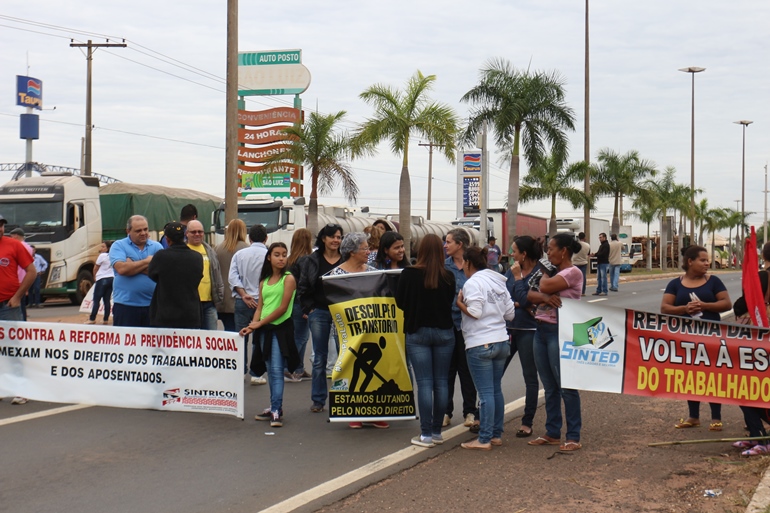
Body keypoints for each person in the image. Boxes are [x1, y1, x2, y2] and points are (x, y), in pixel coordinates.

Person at [661, 245, 731, 432]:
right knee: (690, 376)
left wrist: (705, 305)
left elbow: (726, 303)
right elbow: (665, 308)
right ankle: (693, 416)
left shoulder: (713, 281)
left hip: (712, 337)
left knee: (712, 376)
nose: (707, 263)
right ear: (690, 262)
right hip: (686, 339)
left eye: (707, 260)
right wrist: (684, 309)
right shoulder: (676, 284)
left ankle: (716, 417)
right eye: (703, 260)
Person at [395, 234, 456, 447]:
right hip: (444, 332)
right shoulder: (448, 276)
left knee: (424, 383)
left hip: (417, 331)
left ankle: (426, 434)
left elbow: (400, 302)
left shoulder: (409, 274)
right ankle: (437, 431)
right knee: (441, 382)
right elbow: (450, 302)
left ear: (419, 250)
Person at [528, 233, 585, 451]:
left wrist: (543, 277)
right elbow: (530, 295)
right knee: (549, 386)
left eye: (551, 248)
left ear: (564, 251)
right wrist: (543, 296)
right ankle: (552, 432)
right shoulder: (553, 271)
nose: (547, 252)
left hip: (560, 332)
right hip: (541, 329)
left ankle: (573, 436)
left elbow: (544, 286)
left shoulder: (572, 272)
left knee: (566, 386)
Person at [456, 246, 515, 450]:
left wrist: (459, 304)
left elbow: (475, 311)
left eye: (463, 263)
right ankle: (496, 434)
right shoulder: (498, 281)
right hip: (501, 340)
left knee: (486, 393)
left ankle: (484, 438)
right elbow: (510, 314)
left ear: (468, 263)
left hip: (480, 341)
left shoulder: (472, 283)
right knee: (495, 390)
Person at [328, 232, 387, 428]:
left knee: (372, 371)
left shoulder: (372, 272)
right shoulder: (335, 276)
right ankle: (353, 411)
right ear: (352, 252)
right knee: (350, 369)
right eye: (364, 248)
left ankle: (373, 411)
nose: (368, 252)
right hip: (346, 332)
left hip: (370, 331)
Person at [240, 242, 300, 428]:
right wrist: (252, 326)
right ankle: (275, 407)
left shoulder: (288, 279)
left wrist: (260, 323)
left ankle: (276, 409)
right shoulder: (264, 281)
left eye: (284, 254)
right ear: (269, 257)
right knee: (269, 368)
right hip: (264, 329)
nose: (281, 258)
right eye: (277, 254)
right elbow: (260, 307)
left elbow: (282, 308)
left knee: (276, 369)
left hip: (280, 329)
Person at [298, 224, 343, 413]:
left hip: (342, 312)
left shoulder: (346, 259)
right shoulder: (312, 260)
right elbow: (303, 287)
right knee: (320, 357)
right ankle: (318, 400)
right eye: (332, 236)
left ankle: (344, 397)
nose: (336, 240)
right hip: (320, 312)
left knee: (345, 356)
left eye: (339, 237)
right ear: (323, 238)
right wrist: (309, 308)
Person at [732, 242, 770, 456]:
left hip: (759, 340)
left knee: (745, 387)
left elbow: (741, 305)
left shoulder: (762, 277)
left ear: (764, 255)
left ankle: (759, 436)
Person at [503, 236, 542, 438]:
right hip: (508, 329)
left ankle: (527, 422)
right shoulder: (510, 272)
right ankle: (485, 416)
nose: (511, 254)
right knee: (495, 372)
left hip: (529, 330)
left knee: (529, 376)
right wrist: (522, 303)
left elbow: (530, 299)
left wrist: (521, 298)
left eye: (514, 251)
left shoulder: (539, 273)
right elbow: (507, 297)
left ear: (524, 254)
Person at [443, 228, 479, 431]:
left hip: (469, 326)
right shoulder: (444, 266)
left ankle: (469, 411)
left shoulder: (473, 267)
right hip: (449, 324)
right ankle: (446, 411)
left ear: (460, 245)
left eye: (449, 242)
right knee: (448, 371)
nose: (445, 245)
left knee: (467, 370)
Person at [0, 214, 36, 405]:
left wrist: (17, 296)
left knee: (14, 348)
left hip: (8, 305)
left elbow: (32, 271)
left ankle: (21, 389)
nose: (0, 228)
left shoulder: (14, 245)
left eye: (1, 225)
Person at [229, 223, 269, 385]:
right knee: (260, 338)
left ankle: (239, 371)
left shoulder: (239, 254)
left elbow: (232, 277)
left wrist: (244, 294)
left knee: (241, 336)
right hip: (264, 302)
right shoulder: (269, 254)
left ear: (249, 238)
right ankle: (256, 373)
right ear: (266, 238)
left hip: (242, 300)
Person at [109, 215, 163, 327]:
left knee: (151, 344)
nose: (143, 233)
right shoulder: (118, 246)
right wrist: (148, 261)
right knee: (126, 343)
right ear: (128, 231)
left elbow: (162, 273)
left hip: (152, 306)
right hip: (125, 306)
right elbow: (122, 269)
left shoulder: (157, 246)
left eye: (145, 229)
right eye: (138, 230)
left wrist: (132, 265)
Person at [148, 222, 203, 328]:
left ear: (167, 239)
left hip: (165, 314)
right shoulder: (197, 257)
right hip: (191, 314)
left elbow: (152, 275)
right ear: (185, 236)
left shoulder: (161, 256)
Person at [186, 220, 224, 330]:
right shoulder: (183, 251)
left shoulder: (210, 251)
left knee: (211, 339)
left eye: (200, 231)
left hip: (209, 304)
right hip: (190, 304)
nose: (197, 234)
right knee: (192, 340)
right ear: (187, 233)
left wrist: (220, 295)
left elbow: (217, 275)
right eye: (193, 232)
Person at [287, 228, 314, 381]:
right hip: (300, 302)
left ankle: (298, 368)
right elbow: (305, 284)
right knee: (301, 337)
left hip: (291, 301)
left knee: (299, 335)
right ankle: (290, 367)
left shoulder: (291, 259)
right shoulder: (305, 260)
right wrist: (306, 305)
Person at [214, 219, 249, 332]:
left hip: (223, 300)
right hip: (241, 298)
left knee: (229, 332)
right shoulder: (246, 248)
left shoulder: (218, 248)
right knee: (241, 333)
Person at [86, 241, 114, 324]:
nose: (101, 248)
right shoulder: (113, 256)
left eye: (103, 247)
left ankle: (92, 318)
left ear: (107, 248)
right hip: (111, 278)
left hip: (102, 278)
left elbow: (96, 267)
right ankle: (106, 319)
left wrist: (94, 276)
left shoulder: (102, 256)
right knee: (107, 300)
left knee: (96, 299)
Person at [8, 227, 33, 320]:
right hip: (25, 279)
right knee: (22, 303)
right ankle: (23, 322)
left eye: (12, 236)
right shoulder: (29, 247)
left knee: (16, 304)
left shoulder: (17, 246)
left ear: (16, 236)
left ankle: (21, 322)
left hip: (17, 279)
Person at [572, 232, 590, 296]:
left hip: (575, 263)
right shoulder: (587, 245)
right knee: (583, 277)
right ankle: (583, 292)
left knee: (574, 278)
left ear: (578, 237)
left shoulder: (575, 244)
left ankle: (575, 291)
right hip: (583, 263)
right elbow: (588, 254)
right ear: (584, 237)